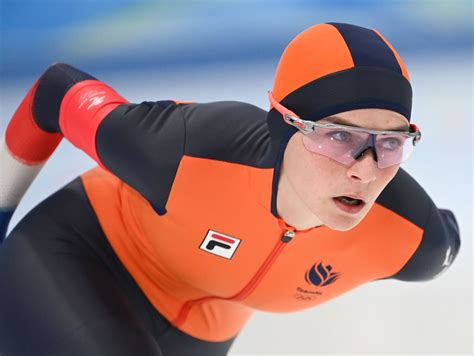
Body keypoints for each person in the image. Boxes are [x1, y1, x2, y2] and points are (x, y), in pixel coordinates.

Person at [0, 22, 460, 356]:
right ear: (284, 126)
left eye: (390, 143)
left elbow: (448, 237)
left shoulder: (412, 239)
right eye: (339, 136)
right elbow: (57, 91)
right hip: (83, 256)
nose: (366, 170)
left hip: (206, 321)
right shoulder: (182, 149)